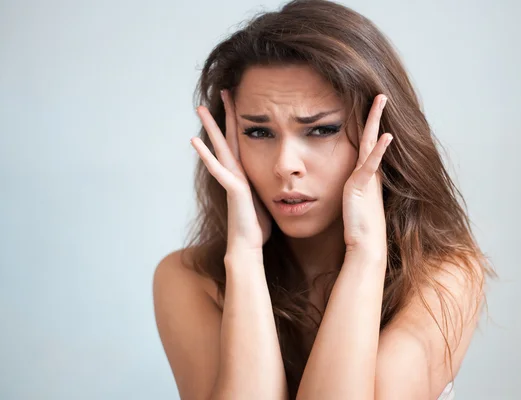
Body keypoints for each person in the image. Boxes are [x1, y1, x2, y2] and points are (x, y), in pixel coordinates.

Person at [153, 0, 495, 399]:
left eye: (320, 131)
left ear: (382, 133)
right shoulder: (189, 278)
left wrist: (366, 254)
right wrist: (244, 257)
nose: (286, 166)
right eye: (259, 133)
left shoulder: (444, 277)